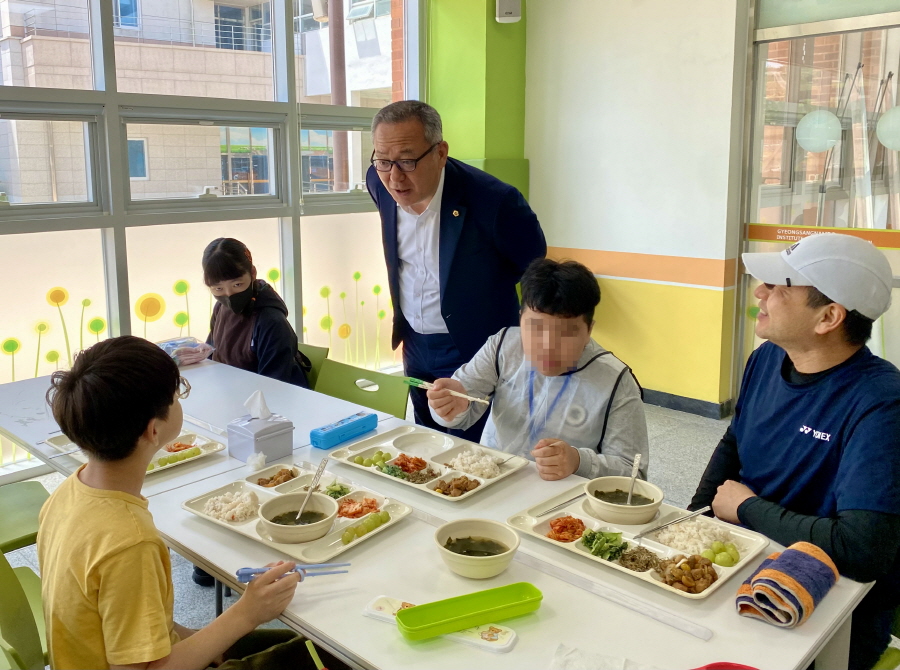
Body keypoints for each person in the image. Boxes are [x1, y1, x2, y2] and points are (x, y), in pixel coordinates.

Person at [37, 336, 342, 670]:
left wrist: (208, 638)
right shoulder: (130, 541)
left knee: (314, 647)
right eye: (176, 395)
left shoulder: (69, 492)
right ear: (154, 431)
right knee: (334, 656)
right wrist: (247, 613)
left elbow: (130, 629)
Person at [688, 233, 900, 670]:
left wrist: (746, 508)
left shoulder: (881, 404)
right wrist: (693, 521)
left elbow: (862, 550)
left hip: (830, 603)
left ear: (828, 317)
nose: (761, 293)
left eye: (781, 286)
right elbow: (735, 443)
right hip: (745, 560)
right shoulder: (765, 359)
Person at [366, 100, 546, 442]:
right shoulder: (379, 183)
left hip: (475, 346)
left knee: (477, 450)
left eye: (406, 160)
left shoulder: (494, 202)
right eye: (383, 161)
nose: (394, 177)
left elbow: (532, 264)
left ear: (440, 152)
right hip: (415, 343)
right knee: (425, 441)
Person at [427, 258, 648, 481]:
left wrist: (578, 461)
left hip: (563, 499)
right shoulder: (503, 345)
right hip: (490, 481)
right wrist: (448, 407)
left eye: (566, 333)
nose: (548, 346)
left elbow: (634, 473)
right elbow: (457, 415)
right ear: (521, 318)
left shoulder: (616, 380)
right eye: (535, 328)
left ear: (589, 329)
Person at [204, 238, 310, 389]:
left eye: (237, 284)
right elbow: (211, 354)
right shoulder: (220, 308)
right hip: (232, 391)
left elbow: (273, 386)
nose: (229, 294)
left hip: (273, 402)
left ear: (252, 273)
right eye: (218, 289)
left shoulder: (271, 322)